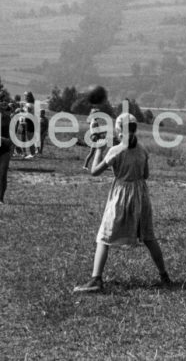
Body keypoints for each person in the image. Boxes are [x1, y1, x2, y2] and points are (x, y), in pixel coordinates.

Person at [74, 113, 170, 293]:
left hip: (121, 196)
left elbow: (94, 171)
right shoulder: (142, 150)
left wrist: (98, 150)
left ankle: (96, 279)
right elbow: (146, 175)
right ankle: (164, 275)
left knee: (104, 236)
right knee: (149, 237)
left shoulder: (115, 151)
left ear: (119, 131)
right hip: (141, 195)